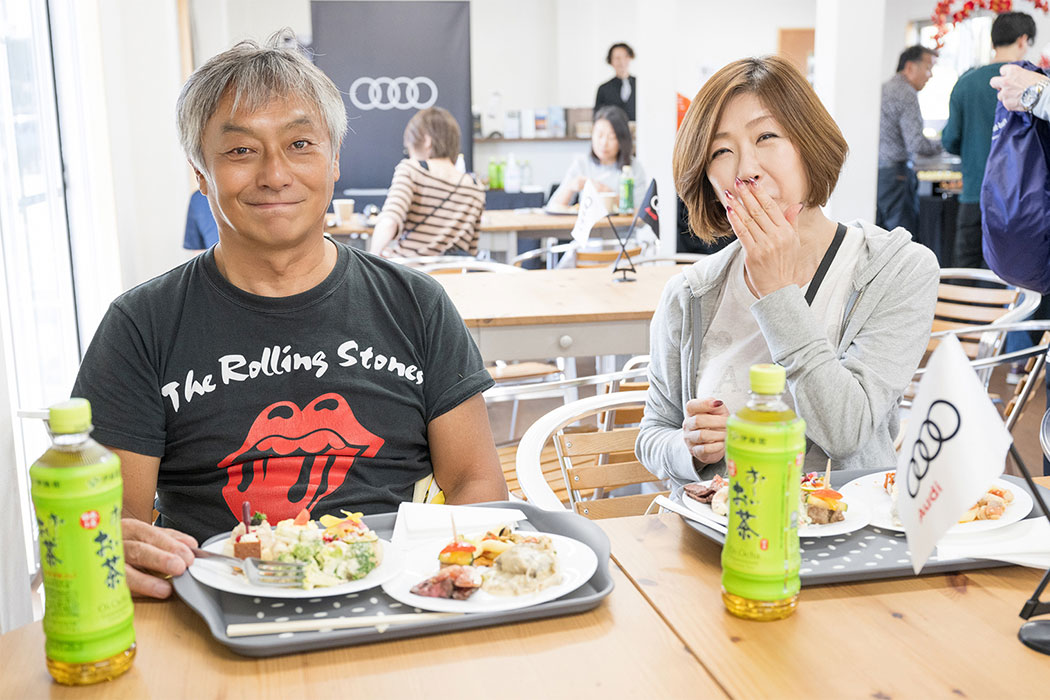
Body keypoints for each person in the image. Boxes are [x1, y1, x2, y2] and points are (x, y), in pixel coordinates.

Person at [72, 34, 507, 598]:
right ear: (200, 172)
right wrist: (118, 548)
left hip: (393, 600)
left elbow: (476, 480)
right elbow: (117, 521)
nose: (275, 174)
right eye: (240, 151)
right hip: (216, 603)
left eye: (300, 144)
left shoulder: (416, 305)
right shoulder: (141, 326)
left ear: (335, 160)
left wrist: (438, 584)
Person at [636, 56, 939, 489]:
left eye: (766, 137)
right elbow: (653, 431)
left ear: (808, 143)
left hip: (845, 527)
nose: (746, 170)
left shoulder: (898, 270)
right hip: (721, 527)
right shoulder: (690, 293)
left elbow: (846, 432)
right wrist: (689, 447)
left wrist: (778, 292)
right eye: (721, 151)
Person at [942, 12, 1035, 269]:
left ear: (993, 42)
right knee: (1008, 277)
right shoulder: (1035, 84)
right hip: (1018, 201)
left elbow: (950, 140)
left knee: (965, 273)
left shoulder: (965, 83)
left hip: (974, 196)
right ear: (1023, 40)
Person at [368, 107, 485, 257]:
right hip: (455, 270)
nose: (410, 155)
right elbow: (471, 250)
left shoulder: (413, 170)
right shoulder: (476, 186)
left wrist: (372, 257)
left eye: (409, 149)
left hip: (411, 270)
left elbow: (390, 221)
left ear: (427, 141)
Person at [877, 45, 942, 235]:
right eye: (928, 68)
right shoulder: (906, 93)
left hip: (879, 174)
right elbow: (916, 143)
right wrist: (943, 143)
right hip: (897, 176)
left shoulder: (885, 88)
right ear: (910, 67)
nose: (930, 75)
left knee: (880, 235)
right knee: (902, 239)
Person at [549, 105, 646, 208]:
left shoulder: (633, 168)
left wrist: (605, 192)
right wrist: (571, 187)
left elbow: (640, 211)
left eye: (611, 137)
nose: (604, 143)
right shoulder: (582, 164)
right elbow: (552, 206)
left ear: (622, 140)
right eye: (599, 135)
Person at [594, 42, 636, 121]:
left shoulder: (640, 85)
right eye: (617, 58)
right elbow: (598, 117)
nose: (622, 61)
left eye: (625, 56)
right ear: (611, 61)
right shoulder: (604, 89)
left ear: (630, 58)